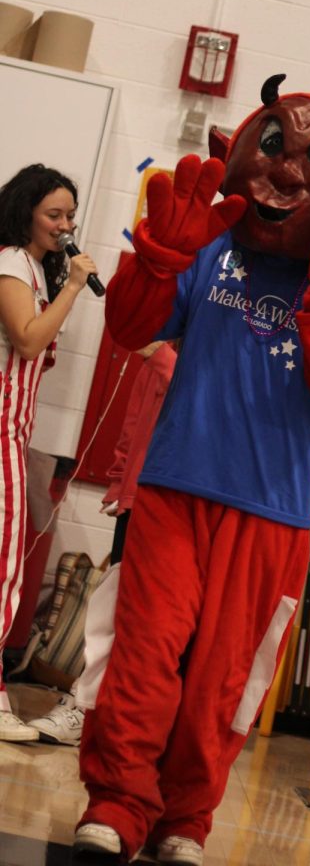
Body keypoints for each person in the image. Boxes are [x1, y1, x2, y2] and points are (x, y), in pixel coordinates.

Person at [72, 77, 310, 866]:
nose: (285, 176)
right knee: (143, 656)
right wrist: (159, 257)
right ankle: (118, 804)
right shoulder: (214, 247)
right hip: (174, 491)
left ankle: (185, 821)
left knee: (220, 685)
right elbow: (129, 329)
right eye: (275, 148)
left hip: (273, 514)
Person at [28, 340, 177, 747]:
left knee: (148, 620)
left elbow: (192, 399)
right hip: (137, 498)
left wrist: (162, 359)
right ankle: (87, 707)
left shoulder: (186, 356)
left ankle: (110, 717)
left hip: (171, 502)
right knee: (113, 609)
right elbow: (136, 418)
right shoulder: (157, 356)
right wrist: (118, 477)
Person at [0, 164, 97, 742]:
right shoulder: (12, 260)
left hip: (15, 430)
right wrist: (73, 288)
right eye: (53, 215)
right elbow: (28, 338)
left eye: (70, 217)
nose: (64, 227)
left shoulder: (35, 266)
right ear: (24, 212)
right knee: (4, 566)